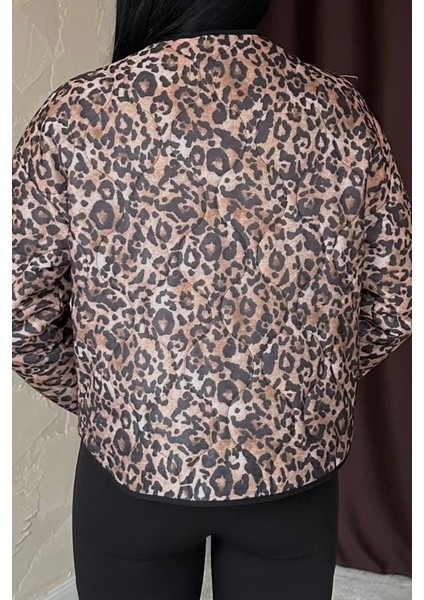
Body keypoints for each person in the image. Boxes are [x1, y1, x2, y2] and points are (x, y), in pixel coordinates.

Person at [11, 0, 412, 598]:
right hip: (289, 473)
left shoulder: (77, 114)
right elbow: (397, 298)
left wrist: (111, 400)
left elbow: (20, 317)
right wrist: (301, 390)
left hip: (134, 468)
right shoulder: (338, 110)